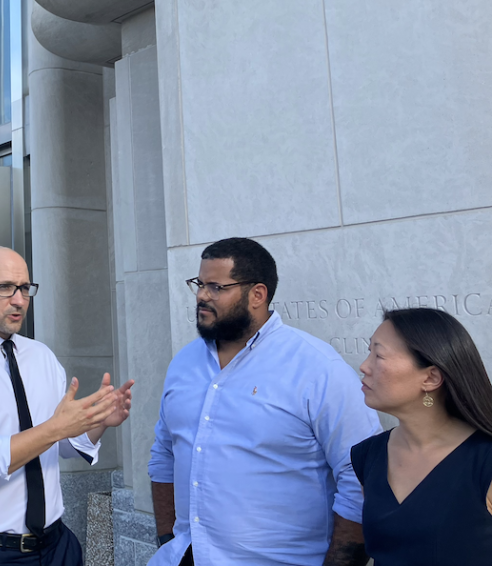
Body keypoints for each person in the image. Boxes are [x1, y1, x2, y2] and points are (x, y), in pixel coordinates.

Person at [148, 237, 381, 566]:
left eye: (216, 287)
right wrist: (167, 539)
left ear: (257, 294)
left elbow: (358, 475)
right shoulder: (184, 363)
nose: (201, 295)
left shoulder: (317, 368)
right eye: (199, 284)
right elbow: (164, 454)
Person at [0, 246, 134, 566]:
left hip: (58, 545)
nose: (19, 300)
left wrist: (97, 420)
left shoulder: (41, 357)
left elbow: (60, 445)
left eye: (25, 288)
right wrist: (54, 428)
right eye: (5, 288)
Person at [351, 308, 492, 565]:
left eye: (378, 355)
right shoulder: (368, 455)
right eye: (368, 351)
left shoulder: (484, 460)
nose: (364, 366)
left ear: (430, 378)